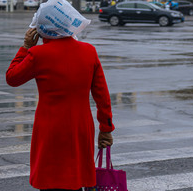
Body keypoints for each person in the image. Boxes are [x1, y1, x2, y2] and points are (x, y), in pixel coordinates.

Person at [6, 28, 114, 191]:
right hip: (80, 126)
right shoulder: (89, 51)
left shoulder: (38, 54)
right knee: (77, 177)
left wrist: (26, 47)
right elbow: (102, 95)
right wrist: (106, 129)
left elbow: (12, 78)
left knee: (51, 179)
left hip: (50, 128)